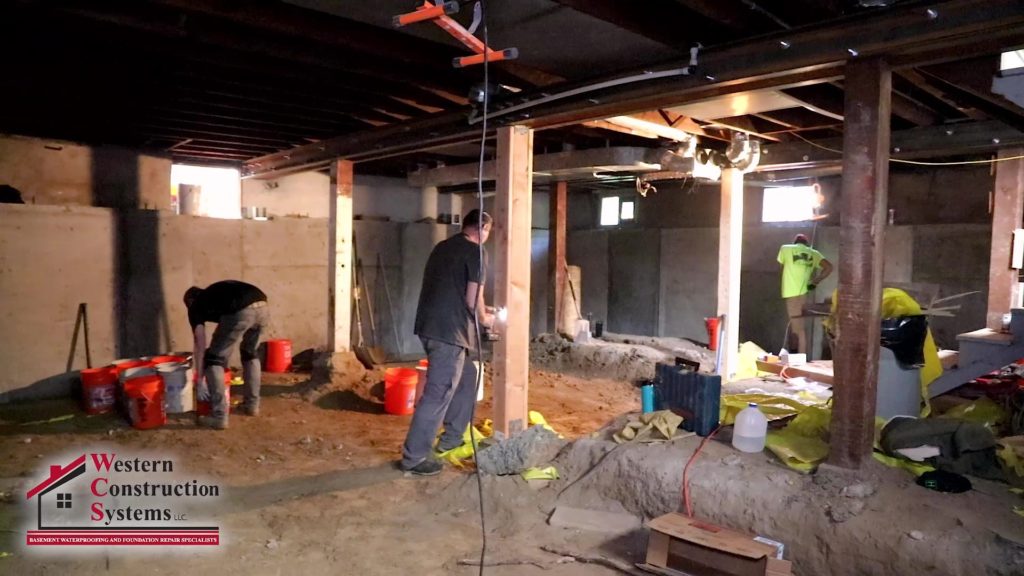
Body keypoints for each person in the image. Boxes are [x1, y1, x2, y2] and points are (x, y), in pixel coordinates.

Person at [400, 209, 497, 476]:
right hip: (449, 332)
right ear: (483, 228)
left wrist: (481, 311)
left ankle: (453, 437)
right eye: (488, 230)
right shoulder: (477, 252)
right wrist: (486, 319)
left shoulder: (443, 247)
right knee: (439, 392)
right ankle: (415, 457)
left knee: (467, 376)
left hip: (430, 327)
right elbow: (472, 298)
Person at [184, 280, 269, 429]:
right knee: (250, 352)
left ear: (190, 301)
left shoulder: (195, 305)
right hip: (263, 306)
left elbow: (200, 342)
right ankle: (252, 405)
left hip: (241, 309)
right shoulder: (214, 295)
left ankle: (219, 417)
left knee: (213, 359)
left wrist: (199, 377)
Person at [777, 233, 832, 355]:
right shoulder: (813, 253)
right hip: (803, 293)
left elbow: (781, 267)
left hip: (790, 292)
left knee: (798, 328)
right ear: (806, 244)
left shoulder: (785, 249)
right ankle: (796, 356)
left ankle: (800, 358)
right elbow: (829, 267)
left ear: (795, 242)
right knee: (797, 326)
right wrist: (815, 281)